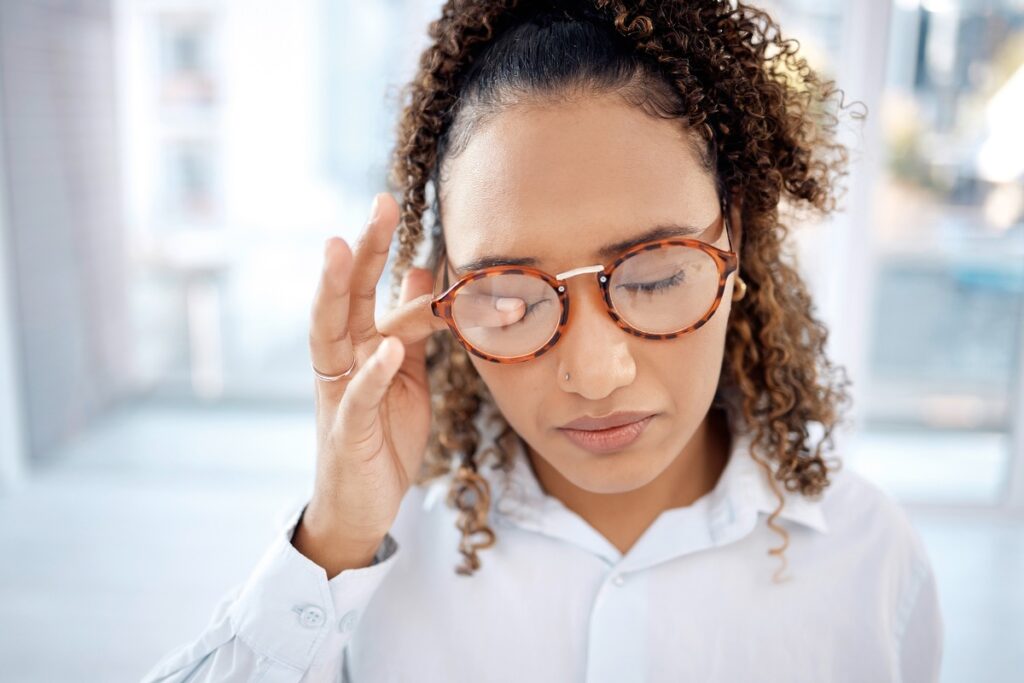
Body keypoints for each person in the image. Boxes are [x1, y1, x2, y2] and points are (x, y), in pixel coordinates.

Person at [140, 1, 944, 681]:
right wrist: (333, 542)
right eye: (511, 295)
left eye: (655, 277)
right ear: (443, 291)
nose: (594, 374)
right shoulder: (368, 559)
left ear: (732, 235)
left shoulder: (871, 568)